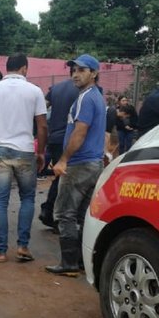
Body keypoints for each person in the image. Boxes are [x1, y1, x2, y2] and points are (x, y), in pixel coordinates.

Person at [0, 53, 48, 263]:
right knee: (27, 198)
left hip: (1, 151)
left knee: (0, 202)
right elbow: (42, 126)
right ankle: (23, 247)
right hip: (25, 151)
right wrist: (40, 152)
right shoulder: (34, 91)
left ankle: (0, 251)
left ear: (7, 68)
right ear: (24, 68)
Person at [45, 54, 106, 276]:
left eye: (81, 70)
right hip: (93, 164)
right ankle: (81, 261)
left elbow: (80, 132)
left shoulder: (86, 98)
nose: (75, 74)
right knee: (81, 215)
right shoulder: (98, 96)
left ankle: (69, 263)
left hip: (79, 164)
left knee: (64, 214)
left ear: (94, 73)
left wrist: (63, 159)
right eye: (74, 70)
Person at [38, 77, 78, 230]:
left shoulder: (56, 88)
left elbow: (43, 107)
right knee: (66, 179)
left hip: (54, 138)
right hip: (69, 139)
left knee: (60, 177)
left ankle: (49, 211)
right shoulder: (83, 90)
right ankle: (54, 214)